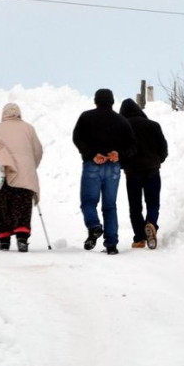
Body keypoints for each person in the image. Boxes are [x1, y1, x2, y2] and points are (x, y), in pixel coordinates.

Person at [72, 88, 137, 255]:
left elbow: (77, 138)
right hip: (113, 166)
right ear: (112, 101)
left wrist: (92, 154)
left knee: (88, 202)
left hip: (93, 164)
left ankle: (94, 226)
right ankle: (111, 245)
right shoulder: (122, 121)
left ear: (95, 100)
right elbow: (132, 145)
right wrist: (119, 154)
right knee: (109, 206)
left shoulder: (86, 117)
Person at [0, 102, 43, 252]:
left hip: (3, 173)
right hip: (25, 175)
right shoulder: (29, 129)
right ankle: (22, 238)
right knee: (22, 206)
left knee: (2, 206)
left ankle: (4, 241)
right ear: (19, 114)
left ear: (4, 114)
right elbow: (38, 151)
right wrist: (31, 166)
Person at [118, 98, 168, 250]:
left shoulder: (122, 128)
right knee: (153, 202)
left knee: (135, 206)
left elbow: (119, 152)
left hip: (132, 173)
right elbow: (163, 148)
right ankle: (151, 223)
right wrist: (158, 160)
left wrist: (123, 166)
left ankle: (139, 239)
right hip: (152, 170)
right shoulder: (153, 125)